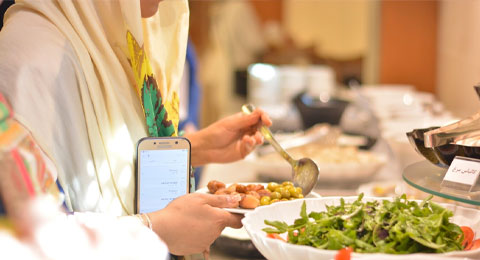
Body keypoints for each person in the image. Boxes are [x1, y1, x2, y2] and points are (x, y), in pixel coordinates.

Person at [0, 0, 272, 256]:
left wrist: (197, 147)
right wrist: (157, 229)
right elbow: (29, 238)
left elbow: (110, 167)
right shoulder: (30, 58)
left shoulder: (110, 31)